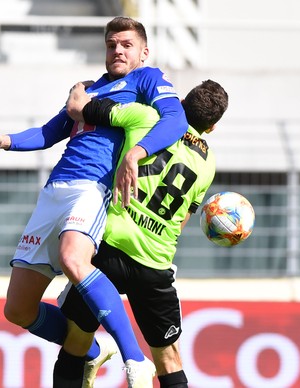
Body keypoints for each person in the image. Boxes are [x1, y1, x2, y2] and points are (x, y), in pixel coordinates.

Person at [0, 16, 188, 388]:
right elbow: (49, 132)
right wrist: (4, 141)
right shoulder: (85, 91)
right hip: (54, 192)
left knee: (73, 258)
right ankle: (96, 351)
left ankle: (135, 359)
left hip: (92, 188)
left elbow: (177, 119)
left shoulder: (147, 79)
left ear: (144, 51)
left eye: (127, 45)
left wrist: (138, 151)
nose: (117, 50)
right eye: (112, 44)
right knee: (17, 310)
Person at [56, 79, 229, 388]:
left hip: (108, 251)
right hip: (154, 263)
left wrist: (79, 89)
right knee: (168, 360)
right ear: (212, 127)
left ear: (180, 103)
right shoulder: (209, 163)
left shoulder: (147, 117)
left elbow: (81, 110)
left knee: (75, 342)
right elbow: (183, 219)